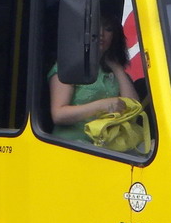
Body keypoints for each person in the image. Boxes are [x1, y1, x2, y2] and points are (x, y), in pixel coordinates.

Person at [48, 12, 138, 143]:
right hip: (72, 146)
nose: (101, 33)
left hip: (108, 146)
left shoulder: (112, 70)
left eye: (108, 29)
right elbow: (58, 115)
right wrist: (102, 105)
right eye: (95, 26)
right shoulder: (68, 67)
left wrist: (117, 68)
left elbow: (133, 108)